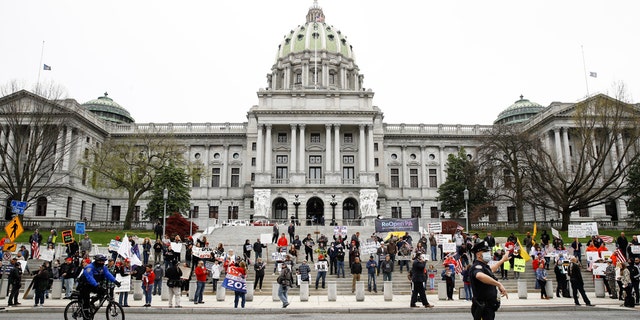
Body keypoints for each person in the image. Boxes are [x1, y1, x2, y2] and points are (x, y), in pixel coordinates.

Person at [470, 241, 509, 320]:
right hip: (483, 308)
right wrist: (498, 284)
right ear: (478, 255)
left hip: (488, 308)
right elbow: (479, 275)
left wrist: (502, 260)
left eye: (488, 251)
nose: (488, 253)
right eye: (485, 252)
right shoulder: (477, 266)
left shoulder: (484, 266)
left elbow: (490, 270)